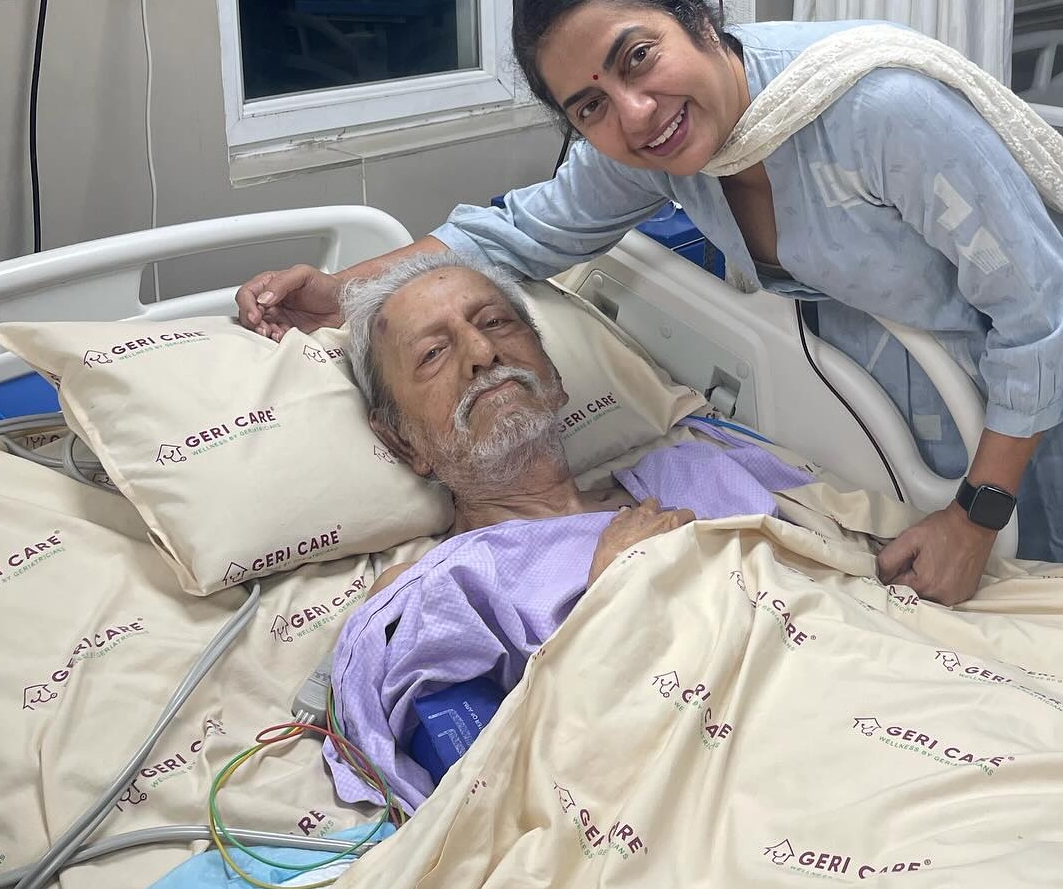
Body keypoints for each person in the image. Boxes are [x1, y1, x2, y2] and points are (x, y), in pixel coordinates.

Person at [237, 0, 1063, 600]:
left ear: (699, 20)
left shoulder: (878, 114)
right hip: (974, 379)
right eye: (587, 105)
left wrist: (974, 517)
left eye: (638, 58)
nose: (633, 112)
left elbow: (1043, 314)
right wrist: (344, 289)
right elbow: (520, 233)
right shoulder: (648, 150)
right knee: (1044, 632)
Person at [325, 245, 813, 810]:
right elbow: (493, 799)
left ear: (552, 373)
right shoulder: (442, 590)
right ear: (402, 442)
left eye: (496, 323)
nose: (483, 352)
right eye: (433, 353)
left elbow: (842, 577)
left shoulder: (695, 473)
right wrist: (615, 597)